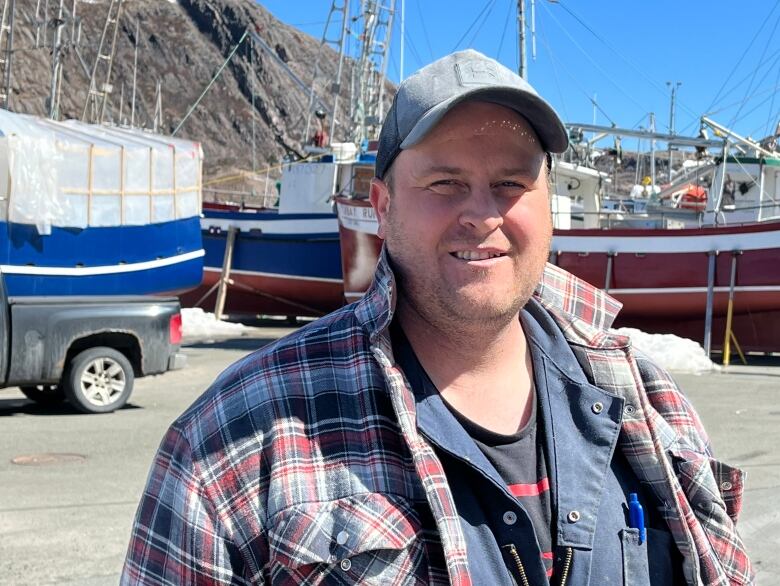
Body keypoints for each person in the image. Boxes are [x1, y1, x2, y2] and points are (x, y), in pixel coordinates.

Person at [122, 50, 753, 585]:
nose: (482, 215)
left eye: (511, 183)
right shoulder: (235, 438)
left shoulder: (652, 402)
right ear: (382, 205)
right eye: (445, 183)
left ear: (548, 205)